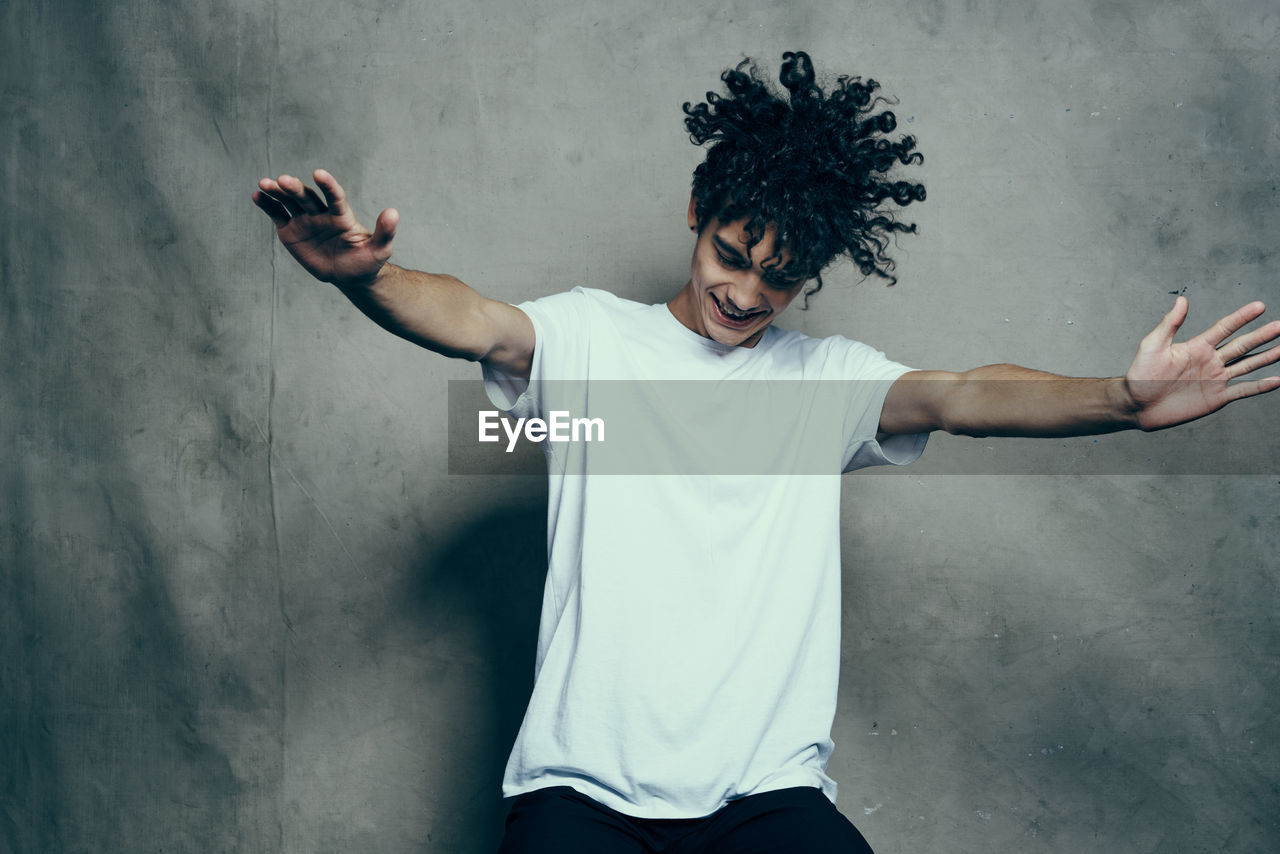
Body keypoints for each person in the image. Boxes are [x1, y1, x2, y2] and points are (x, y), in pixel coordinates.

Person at [252, 52, 1279, 854]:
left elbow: (963, 393)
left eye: (778, 279)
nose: (744, 292)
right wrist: (361, 280)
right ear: (696, 212)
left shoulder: (821, 384)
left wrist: (1117, 398)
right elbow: (473, 318)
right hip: (577, 793)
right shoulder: (591, 339)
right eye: (730, 255)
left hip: (764, 800)